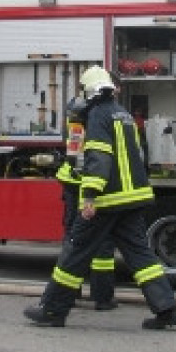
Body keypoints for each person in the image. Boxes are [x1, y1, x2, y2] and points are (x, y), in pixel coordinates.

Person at [24, 65, 176, 330]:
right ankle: (167, 309)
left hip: (108, 200)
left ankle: (52, 310)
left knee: (76, 251)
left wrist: (89, 195)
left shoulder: (97, 114)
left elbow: (99, 158)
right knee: (141, 256)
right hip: (133, 198)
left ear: (89, 91)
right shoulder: (124, 114)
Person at [50, 96, 117, 311]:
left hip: (73, 185)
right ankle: (102, 297)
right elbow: (83, 160)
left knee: (73, 241)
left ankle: (69, 294)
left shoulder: (75, 126)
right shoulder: (87, 126)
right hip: (85, 186)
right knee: (102, 242)